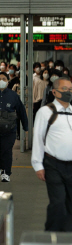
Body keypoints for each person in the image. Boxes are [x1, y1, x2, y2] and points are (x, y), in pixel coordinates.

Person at [32, 76, 72, 231]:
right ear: (54, 92)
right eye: (65, 89)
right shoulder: (45, 112)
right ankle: (51, 235)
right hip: (53, 165)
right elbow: (38, 138)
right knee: (58, 202)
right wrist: (38, 165)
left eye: (71, 89)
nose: (68, 92)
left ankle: (68, 237)